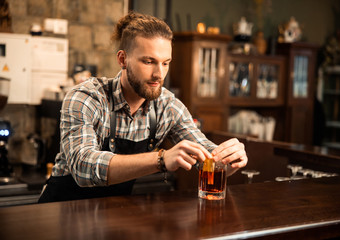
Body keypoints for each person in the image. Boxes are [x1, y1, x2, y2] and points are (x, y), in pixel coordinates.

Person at [38, 12, 248, 203]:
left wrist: (228, 160)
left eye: (165, 63)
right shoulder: (86, 97)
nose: (159, 74)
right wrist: (161, 159)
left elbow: (207, 161)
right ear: (123, 59)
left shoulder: (168, 106)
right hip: (61, 211)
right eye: (149, 61)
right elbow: (83, 168)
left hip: (111, 215)